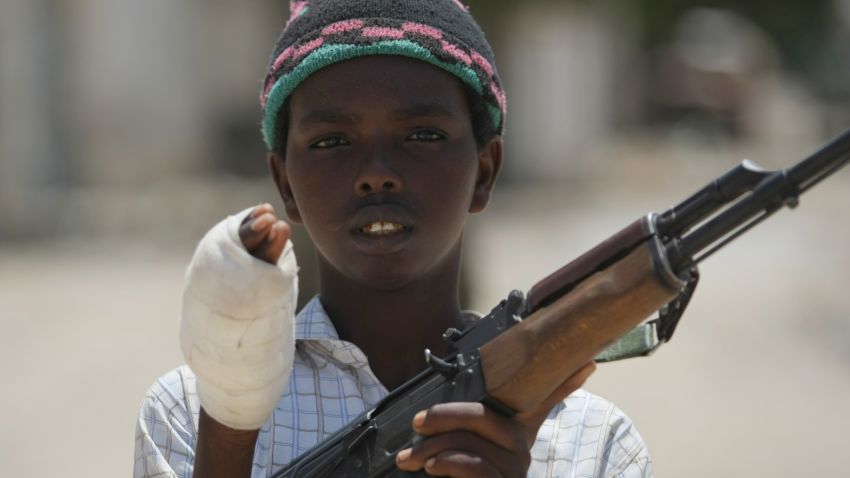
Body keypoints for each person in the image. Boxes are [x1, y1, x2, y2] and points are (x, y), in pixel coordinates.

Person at [134, 1, 653, 477]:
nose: (376, 174)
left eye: (422, 135)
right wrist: (229, 429)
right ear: (285, 183)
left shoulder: (593, 441)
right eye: (331, 141)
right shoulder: (189, 412)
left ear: (485, 171)